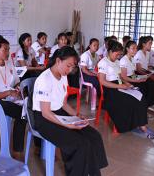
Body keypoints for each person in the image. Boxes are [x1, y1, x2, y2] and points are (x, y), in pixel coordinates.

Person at [33, 46, 108, 176]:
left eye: (72, 67)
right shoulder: (45, 79)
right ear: (58, 61)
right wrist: (67, 125)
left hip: (58, 113)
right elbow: (45, 113)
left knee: (94, 136)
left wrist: (77, 115)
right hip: (44, 119)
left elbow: (63, 103)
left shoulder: (63, 76)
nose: (70, 70)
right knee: (80, 144)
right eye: (68, 66)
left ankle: (93, 171)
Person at [98, 40, 154, 137]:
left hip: (120, 86)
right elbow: (102, 81)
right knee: (131, 100)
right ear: (110, 52)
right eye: (117, 54)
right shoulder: (103, 63)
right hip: (110, 90)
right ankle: (136, 126)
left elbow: (121, 76)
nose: (118, 57)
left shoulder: (117, 62)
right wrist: (120, 86)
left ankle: (141, 125)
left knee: (140, 97)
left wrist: (127, 84)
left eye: (120, 54)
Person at [134, 36, 154, 115]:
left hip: (146, 72)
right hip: (139, 74)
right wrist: (150, 75)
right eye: (150, 43)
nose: (151, 45)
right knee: (151, 82)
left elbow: (147, 66)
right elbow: (139, 69)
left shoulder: (147, 53)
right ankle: (151, 104)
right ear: (143, 44)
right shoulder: (139, 53)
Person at [120, 40, 154, 109]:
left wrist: (141, 77)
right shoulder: (123, 60)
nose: (135, 50)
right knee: (143, 87)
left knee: (149, 82)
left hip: (132, 78)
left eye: (136, 48)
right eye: (133, 48)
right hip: (127, 81)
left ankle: (150, 105)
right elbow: (124, 77)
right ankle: (144, 107)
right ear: (127, 49)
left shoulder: (132, 59)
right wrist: (137, 81)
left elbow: (133, 74)